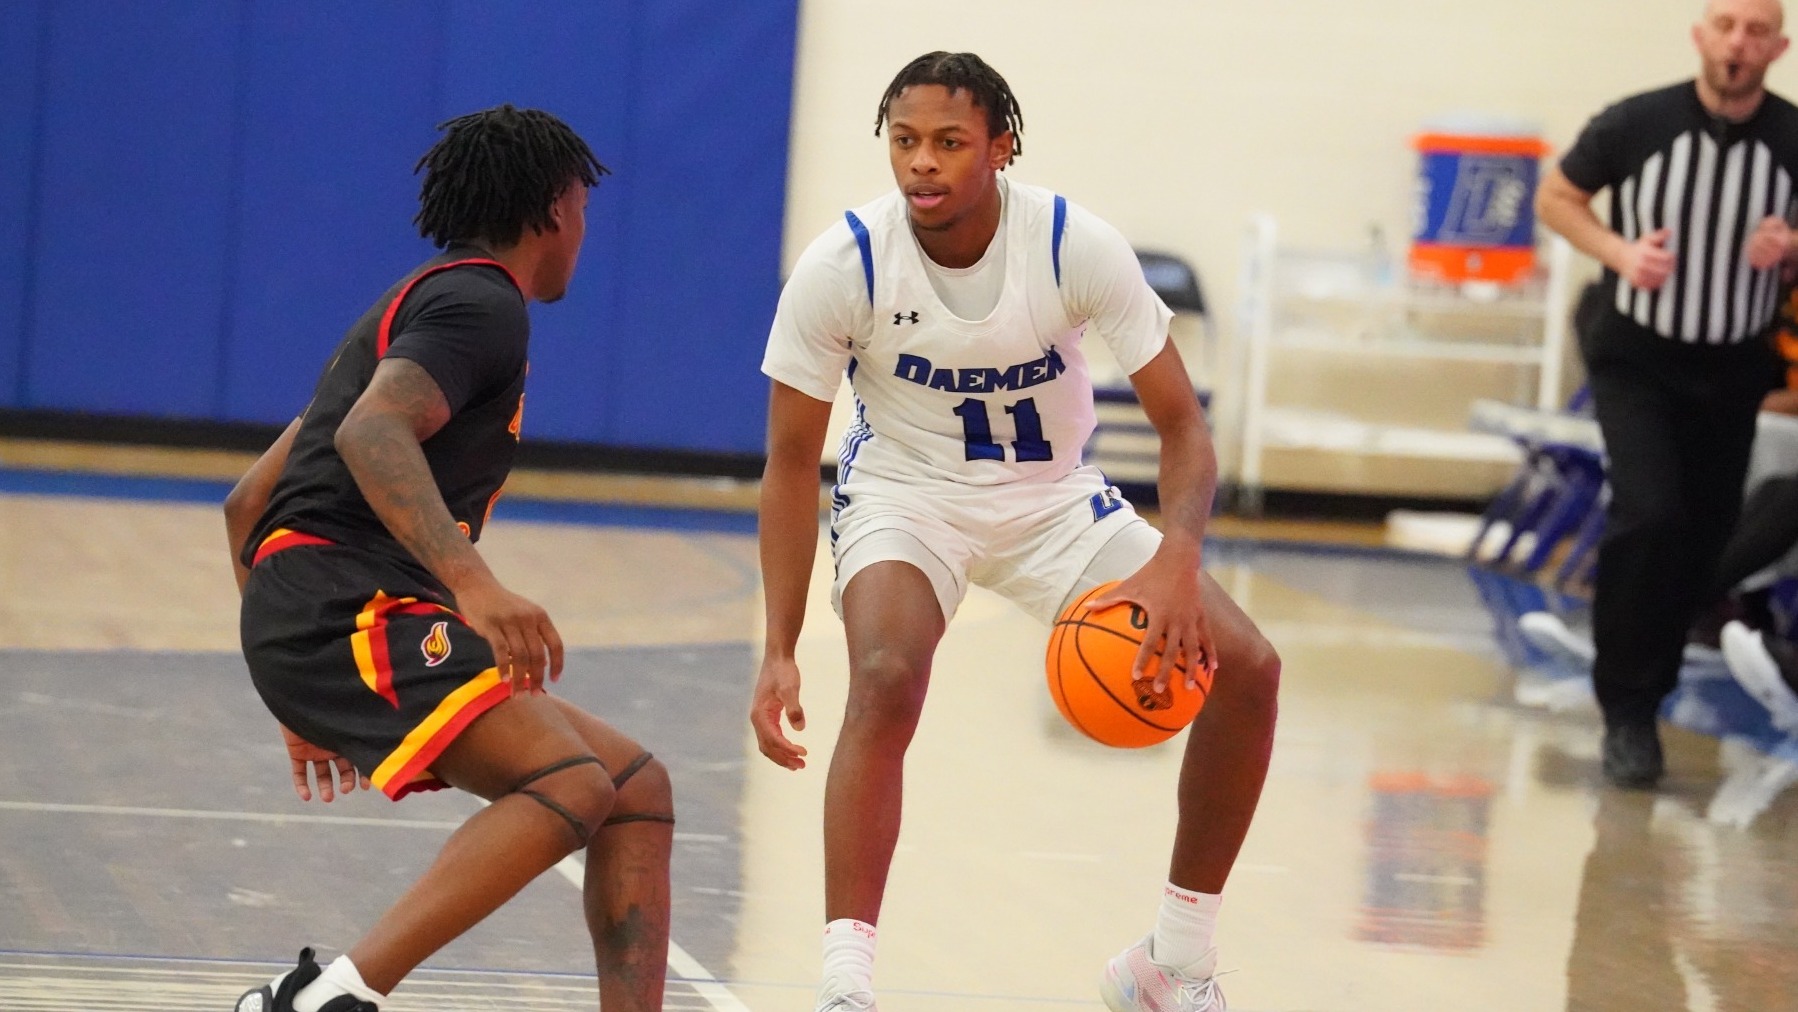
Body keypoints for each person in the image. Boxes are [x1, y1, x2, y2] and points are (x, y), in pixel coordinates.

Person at [752, 51, 1280, 1012]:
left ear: (1000, 147)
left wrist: (1176, 560)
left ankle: (1173, 961)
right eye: (904, 141)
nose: (922, 163)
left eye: (948, 142)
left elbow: (1183, 429)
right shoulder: (843, 266)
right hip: (906, 499)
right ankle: (843, 986)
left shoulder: (1072, 243)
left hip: (1055, 504)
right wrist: (779, 647)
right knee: (883, 674)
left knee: (1247, 668)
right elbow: (791, 464)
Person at [221, 105, 674, 1012]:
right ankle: (331, 999)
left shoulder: (425, 302)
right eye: (583, 206)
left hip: (326, 611)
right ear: (555, 205)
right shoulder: (480, 305)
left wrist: (292, 682)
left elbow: (247, 504)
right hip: (350, 602)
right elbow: (371, 428)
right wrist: (473, 584)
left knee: (633, 788)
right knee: (566, 780)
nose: (585, 228)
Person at [1535, 0, 1798, 788]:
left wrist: (1791, 251)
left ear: (1777, 47)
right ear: (1701, 35)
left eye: (1756, 32)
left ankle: (1650, 675)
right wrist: (1618, 252)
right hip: (1639, 359)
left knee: (1705, 536)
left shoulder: (1792, 140)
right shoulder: (1637, 123)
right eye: (1725, 26)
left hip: (1734, 368)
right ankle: (1627, 709)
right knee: (1649, 512)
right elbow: (1556, 197)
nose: (1738, 45)